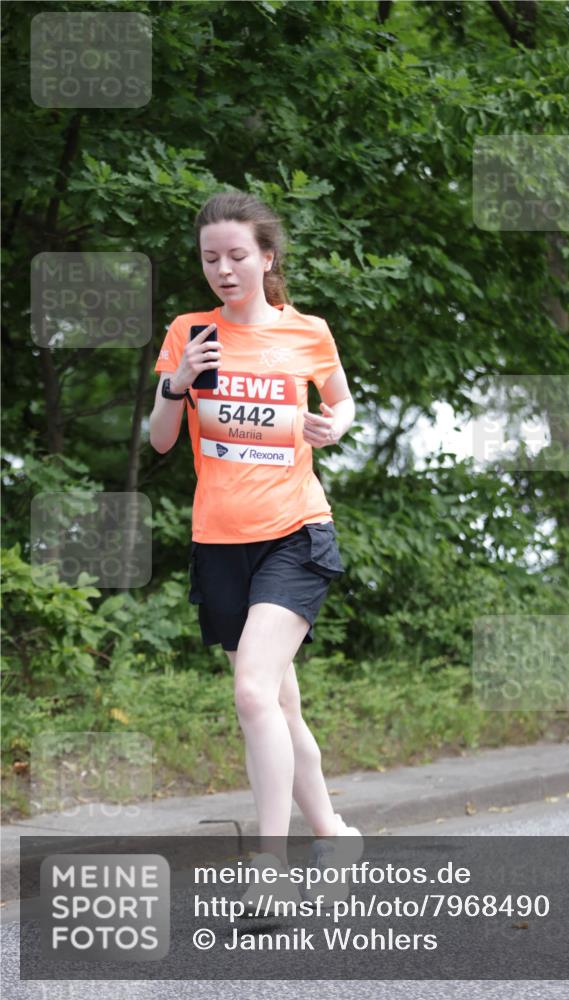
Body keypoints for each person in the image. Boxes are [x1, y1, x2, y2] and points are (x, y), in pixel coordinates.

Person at [149, 191, 362, 888]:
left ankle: (268, 869)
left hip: (295, 530)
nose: (223, 269)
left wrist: (337, 424)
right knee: (279, 701)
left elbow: (339, 399)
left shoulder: (306, 331)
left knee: (250, 694)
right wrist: (176, 385)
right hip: (219, 539)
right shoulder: (190, 331)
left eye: (237, 255)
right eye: (210, 258)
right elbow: (159, 440)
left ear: (265, 256)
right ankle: (331, 829)